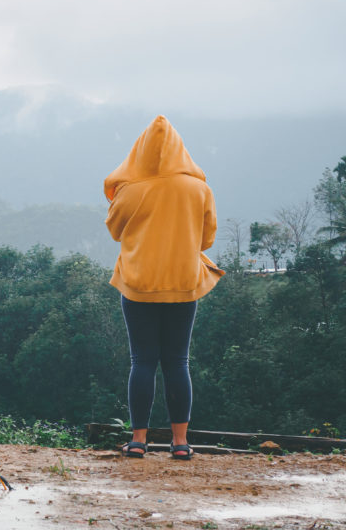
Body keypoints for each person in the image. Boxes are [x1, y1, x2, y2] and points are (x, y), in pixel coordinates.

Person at [103, 115, 224, 460]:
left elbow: (114, 230)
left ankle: (138, 441)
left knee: (142, 361)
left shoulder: (131, 190)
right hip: (183, 284)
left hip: (139, 285)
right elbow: (207, 238)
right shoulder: (199, 189)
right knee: (177, 361)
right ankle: (181, 443)